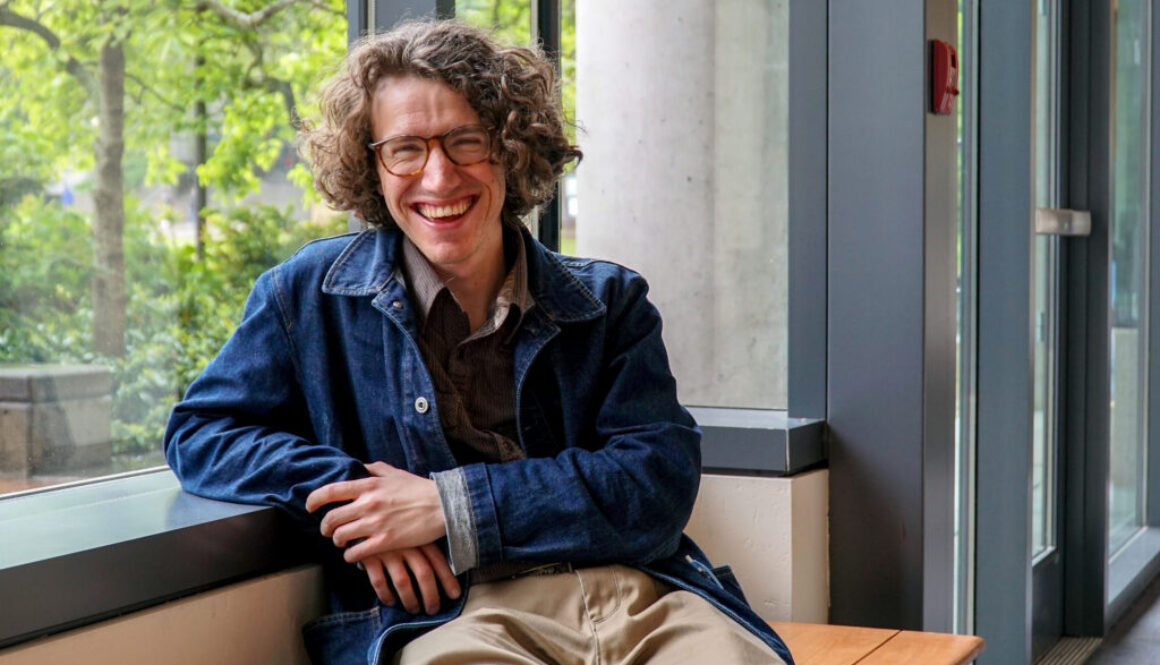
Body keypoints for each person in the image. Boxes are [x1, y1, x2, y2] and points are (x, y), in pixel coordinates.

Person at [164, 19, 793, 665]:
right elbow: (202, 432)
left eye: (466, 140)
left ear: (512, 148)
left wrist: (447, 507)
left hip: (640, 598)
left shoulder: (610, 303)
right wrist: (362, 498)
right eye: (405, 148)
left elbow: (655, 482)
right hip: (448, 619)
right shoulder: (305, 295)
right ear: (372, 165)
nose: (438, 177)